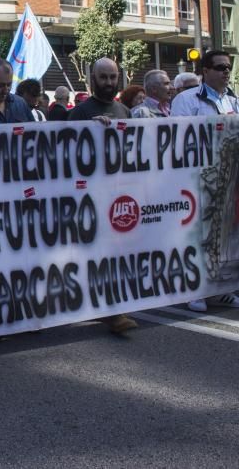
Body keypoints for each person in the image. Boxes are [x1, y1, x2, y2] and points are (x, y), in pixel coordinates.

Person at [171, 50, 239, 312]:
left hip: (230, 177)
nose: (226, 72)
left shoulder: (234, 101)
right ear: (205, 71)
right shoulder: (186, 99)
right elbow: (179, 136)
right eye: (219, 67)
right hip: (197, 178)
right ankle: (194, 290)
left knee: (227, 236)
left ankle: (225, 288)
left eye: (228, 67)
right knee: (197, 236)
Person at [66, 58, 138, 334]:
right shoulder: (81, 113)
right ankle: (111, 312)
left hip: (120, 196)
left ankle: (113, 309)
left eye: (113, 77)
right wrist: (90, 133)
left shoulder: (124, 111)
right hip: (91, 198)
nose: (109, 82)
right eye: (103, 77)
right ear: (92, 79)